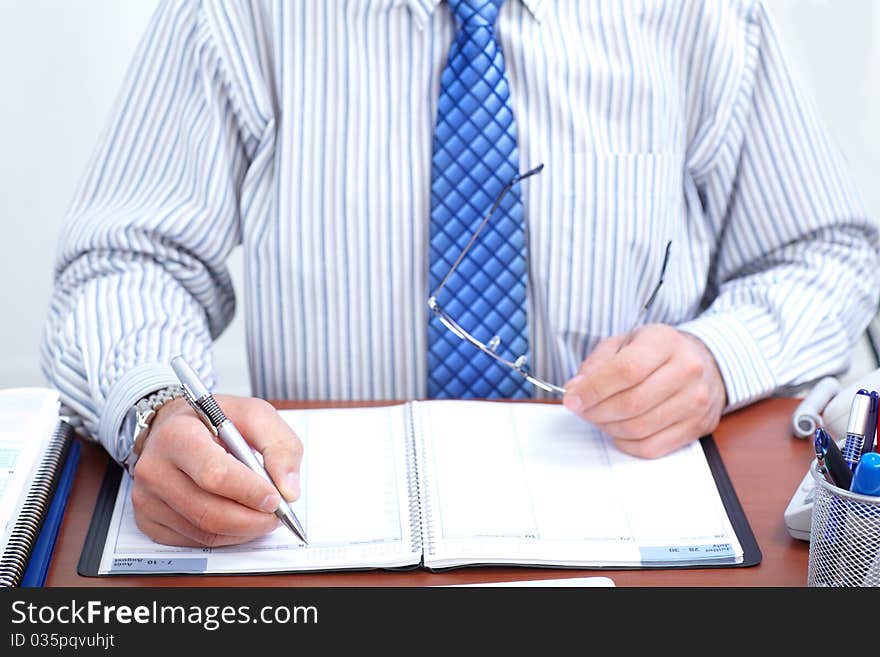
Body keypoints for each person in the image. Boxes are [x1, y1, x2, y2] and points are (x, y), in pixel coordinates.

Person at [42, 0, 879, 548]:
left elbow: (824, 251)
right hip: (317, 543)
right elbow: (130, 259)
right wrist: (154, 408)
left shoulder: (703, 13)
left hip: (635, 547)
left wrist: (719, 355)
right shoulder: (238, 13)